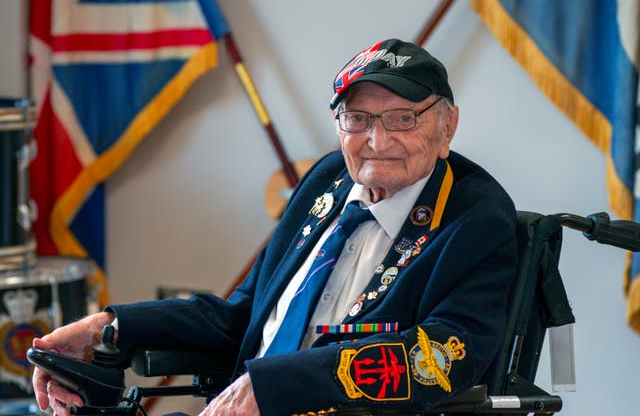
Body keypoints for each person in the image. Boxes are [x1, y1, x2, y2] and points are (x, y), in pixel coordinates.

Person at [32, 38, 517, 416]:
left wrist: (274, 387)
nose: (377, 139)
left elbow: (436, 359)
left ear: (447, 127)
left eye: (402, 118)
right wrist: (109, 332)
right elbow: (243, 316)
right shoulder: (327, 181)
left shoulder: (476, 219)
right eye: (358, 118)